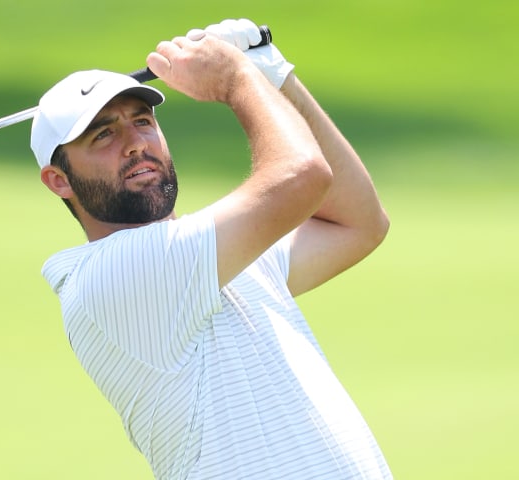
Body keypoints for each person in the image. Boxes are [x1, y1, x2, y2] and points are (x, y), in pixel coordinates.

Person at [30, 18, 392, 480]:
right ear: (59, 180)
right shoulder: (115, 274)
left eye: (142, 122)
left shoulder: (208, 254)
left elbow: (358, 223)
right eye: (104, 135)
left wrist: (275, 77)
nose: (134, 144)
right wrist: (237, 78)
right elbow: (302, 176)